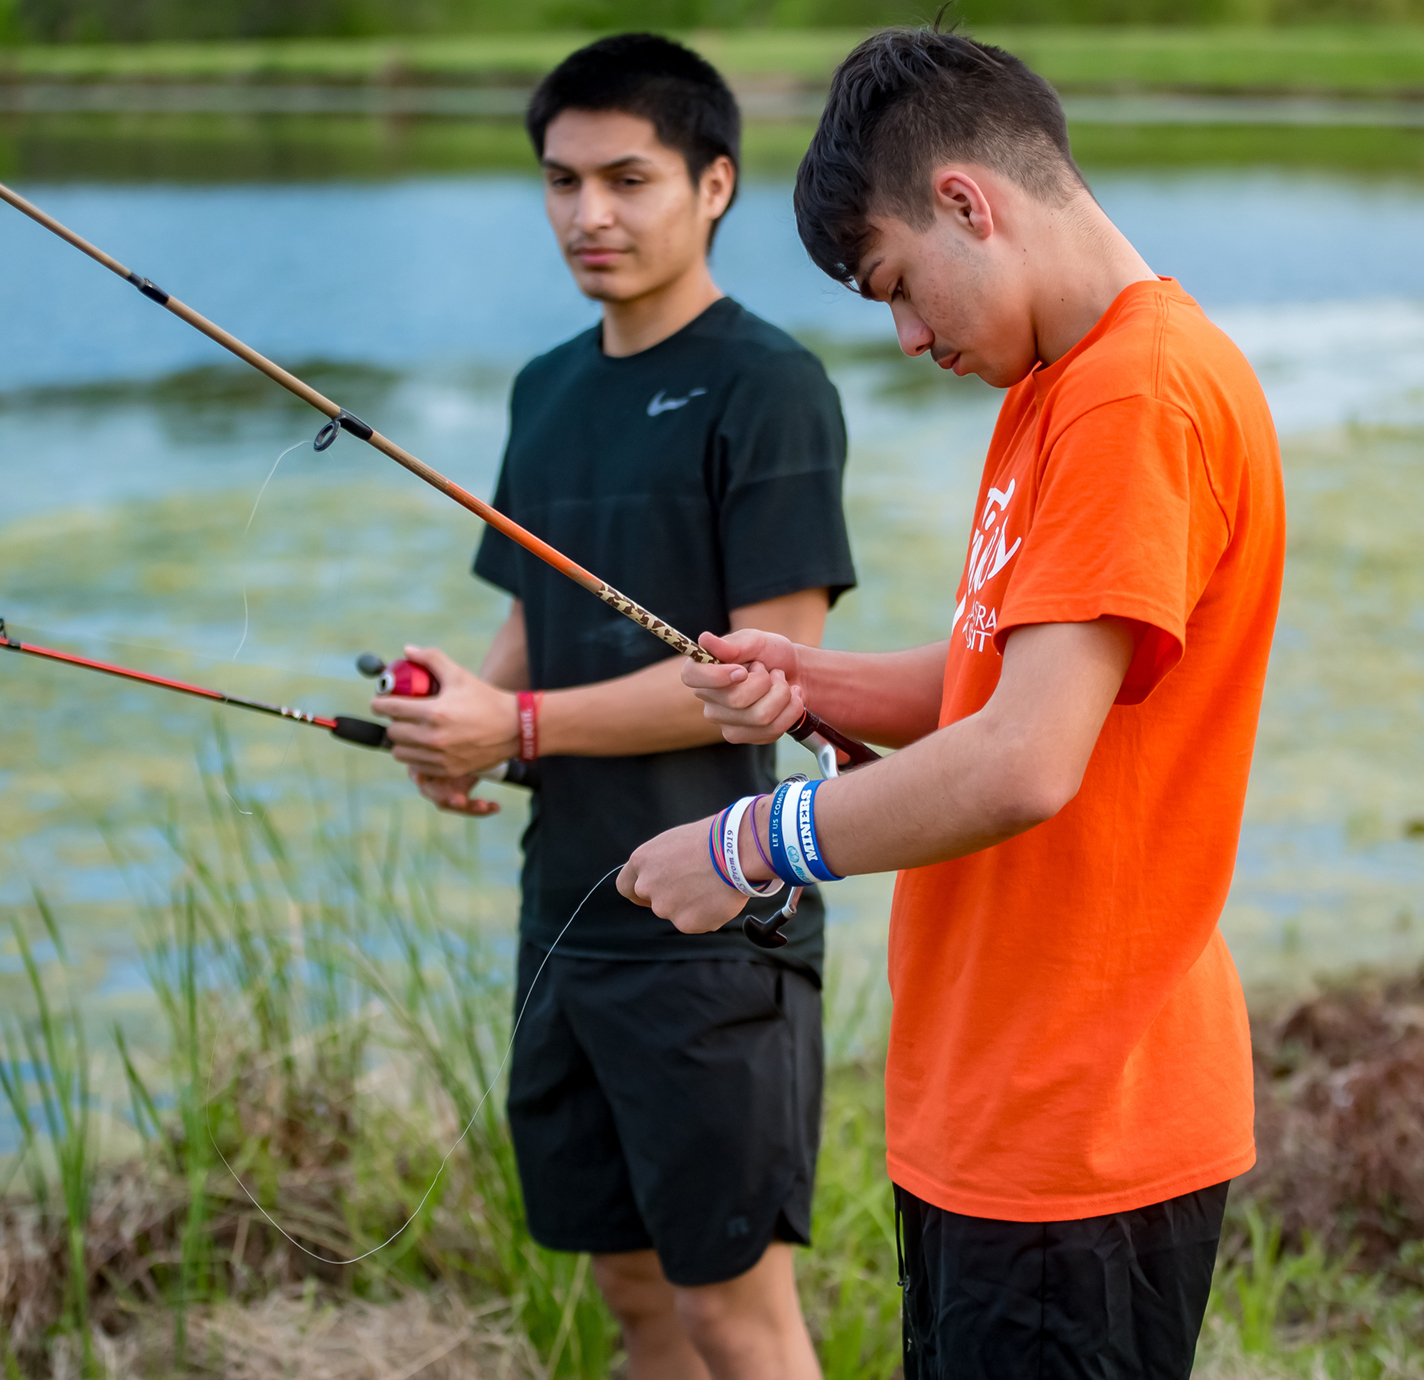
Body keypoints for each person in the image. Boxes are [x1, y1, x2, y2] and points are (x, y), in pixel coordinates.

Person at [618, 26, 1285, 1380]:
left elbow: (1025, 762)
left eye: (898, 288)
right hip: (1000, 1107)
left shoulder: (1133, 397)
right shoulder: (1056, 382)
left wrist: (754, 845)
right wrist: (812, 681)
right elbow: (1008, 681)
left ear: (968, 204)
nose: (911, 336)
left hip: (1078, 1128)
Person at [371, 34, 856, 1380]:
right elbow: (528, 622)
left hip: (711, 924)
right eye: (562, 179)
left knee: (732, 1314)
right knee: (634, 1294)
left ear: (714, 184)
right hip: (568, 910)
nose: (590, 214)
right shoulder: (546, 387)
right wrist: (460, 714)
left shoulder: (769, 389)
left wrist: (518, 728)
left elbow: (774, 671)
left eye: (629, 178)